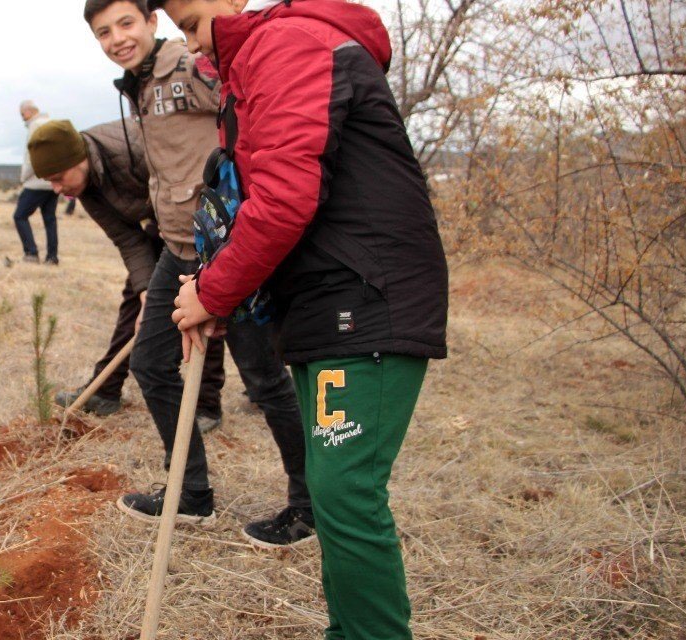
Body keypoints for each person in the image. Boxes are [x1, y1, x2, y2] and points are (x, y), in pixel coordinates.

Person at [161, 0, 449, 637]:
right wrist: (222, 290)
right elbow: (256, 198)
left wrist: (215, 291)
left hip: (366, 295)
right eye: (178, 28)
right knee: (331, 488)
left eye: (189, 19)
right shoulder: (244, 73)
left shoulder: (287, 45)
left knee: (345, 491)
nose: (191, 40)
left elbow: (287, 198)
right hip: (324, 301)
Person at [85, 0, 312, 547]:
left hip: (230, 249)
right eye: (103, 32)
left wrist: (242, 206)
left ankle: (310, 504)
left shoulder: (190, 64)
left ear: (151, 22)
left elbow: (248, 112)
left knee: (263, 380)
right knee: (150, 362)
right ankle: (191, 493)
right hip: (177, 245)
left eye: (125, 23)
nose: (116, 38)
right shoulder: (138, 84)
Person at [30, 119, 226, 422]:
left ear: (77, 159)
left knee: (200, 302)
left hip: (193, 217)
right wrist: (147, 290)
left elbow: (182, 182)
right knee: (136, 297)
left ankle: (206, 404)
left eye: (57, 178)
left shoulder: (131, 147)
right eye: (49, 182)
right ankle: (106, 390)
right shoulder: (85, 186)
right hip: (156, 226)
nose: (56, 189)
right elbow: (127, 239)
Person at [13, 100, 60, 265]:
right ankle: (52, 257)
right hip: (53, 181)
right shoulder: (52, 124)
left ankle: (31, 253)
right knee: (50, 219)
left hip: (36, 182)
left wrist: (23, 177)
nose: (22, 118)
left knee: (19, 216)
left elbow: (33, 156)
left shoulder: (35, 126)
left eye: (22, 114)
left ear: (28, 112)